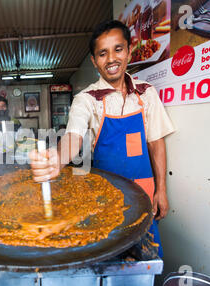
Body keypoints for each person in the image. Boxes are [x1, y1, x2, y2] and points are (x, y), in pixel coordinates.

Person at [29, 20, 175, 257]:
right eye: (102, 53)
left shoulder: (146, 92)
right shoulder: (86, 99)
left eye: (118, 49)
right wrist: (57, 158)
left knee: (148, 256)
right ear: (94, 60)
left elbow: (156, 142)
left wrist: (162, 190)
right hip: (106, 192)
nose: (111, 59)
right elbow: (73, 136)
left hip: (145, 191)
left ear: (129, 49)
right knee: (110, 255)